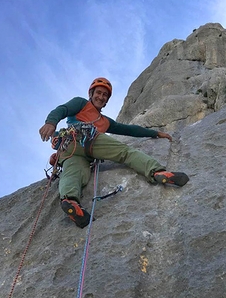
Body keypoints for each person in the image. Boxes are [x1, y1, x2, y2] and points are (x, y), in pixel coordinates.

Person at [39, 77, 189, 228]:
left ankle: (70, 201)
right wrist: (51, 122)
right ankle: (156, 172)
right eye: (98, 93)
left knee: (74, 172)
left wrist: (155, 133)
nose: (101, 97)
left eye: (105, 95)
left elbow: (129, 130)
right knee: (125, 153)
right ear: (91, 93)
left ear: (106, 101)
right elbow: (63, 109)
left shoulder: (106, 121)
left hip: (70, 150)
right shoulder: (81, 103)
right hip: (82, 138)